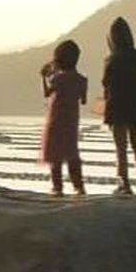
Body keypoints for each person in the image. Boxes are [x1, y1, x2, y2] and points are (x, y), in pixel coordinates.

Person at [102, 17, 136, 195]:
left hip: (117, 109)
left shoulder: (110, 59)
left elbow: (106, 85)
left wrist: (105, 111)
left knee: (121, 147)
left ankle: (124, 182)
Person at [40, 40, 88, 197]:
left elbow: (47, 93)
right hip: (72, 121)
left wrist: (44, 78)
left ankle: (57, 187)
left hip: (56, 119)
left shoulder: (58, 79)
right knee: (72, 152)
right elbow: (84, 100)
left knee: (55, 154)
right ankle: (79, 186)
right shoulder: (82, 80)